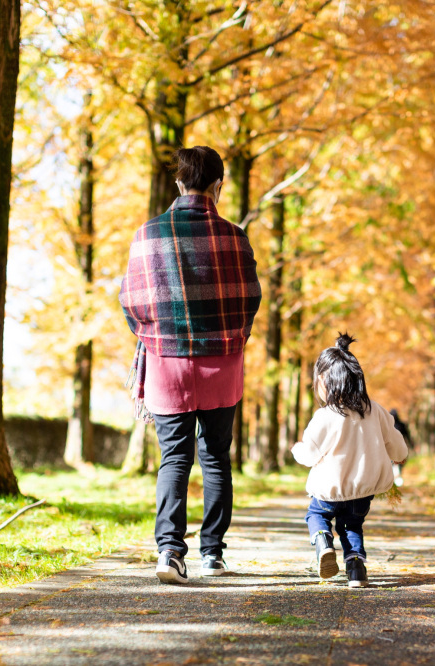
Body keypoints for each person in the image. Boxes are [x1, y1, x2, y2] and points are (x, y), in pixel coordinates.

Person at [119, 146, 262, 584]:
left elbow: (131, 300)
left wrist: (153, 335)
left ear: (179, 183)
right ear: (219, 185)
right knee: (216, 456)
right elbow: (250, 298)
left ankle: (169, 552)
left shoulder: (148, 234)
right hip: (222, 361)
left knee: (174, 457)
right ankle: (213, 555)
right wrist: (231, 337)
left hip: (167, 361)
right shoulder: (235, 236)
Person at [291, 333, 409, 588]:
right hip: (362, 492)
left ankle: (323, 542)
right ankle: (356, 570)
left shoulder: (326, 415)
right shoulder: (376, 411)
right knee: (352, 526)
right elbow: (396, 444)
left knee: (316, 515)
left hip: (329, 491)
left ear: (324, 382)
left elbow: (309, 454)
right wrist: (400, 457)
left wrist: (296, 449)